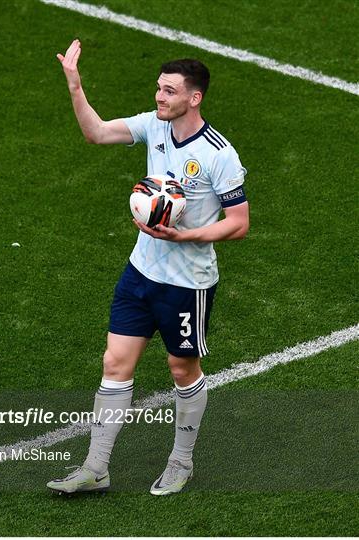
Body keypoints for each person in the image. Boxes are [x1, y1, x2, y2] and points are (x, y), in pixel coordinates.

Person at [47, 39, 249, 496]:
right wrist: (76, 86)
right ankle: (96, 467)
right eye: (159, 88)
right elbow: (96, 133)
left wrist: (184, 236)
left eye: (170, 91)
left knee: (182, 370)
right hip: (140, 272)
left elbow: (237, 225)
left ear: (193, 98)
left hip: (186, 284)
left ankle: (182, 461)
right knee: (115, 363)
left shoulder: (220, 155)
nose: (159, 97)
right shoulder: (152, 126)